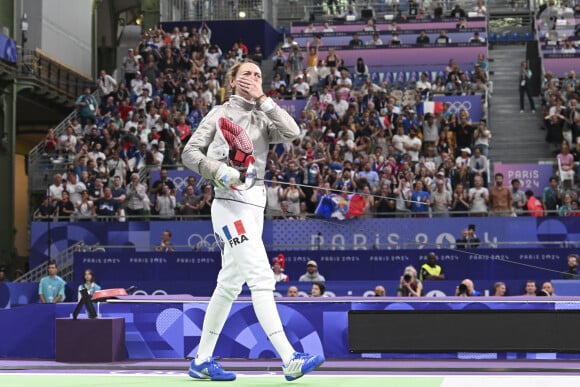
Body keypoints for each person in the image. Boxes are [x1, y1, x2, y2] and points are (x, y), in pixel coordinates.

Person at [181, 60, 324, 381]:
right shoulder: (218, 114)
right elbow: (189, 153)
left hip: (254, 205)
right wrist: (218, 171)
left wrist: (264, 99)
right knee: (261, 279)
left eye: (258, 75)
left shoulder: (263, 115)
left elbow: (293, 131)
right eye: (246, 73)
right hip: (229, 206)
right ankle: (290, 358)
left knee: (229, 284)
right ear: (232, 80)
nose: (252, 78)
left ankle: (201, 360)